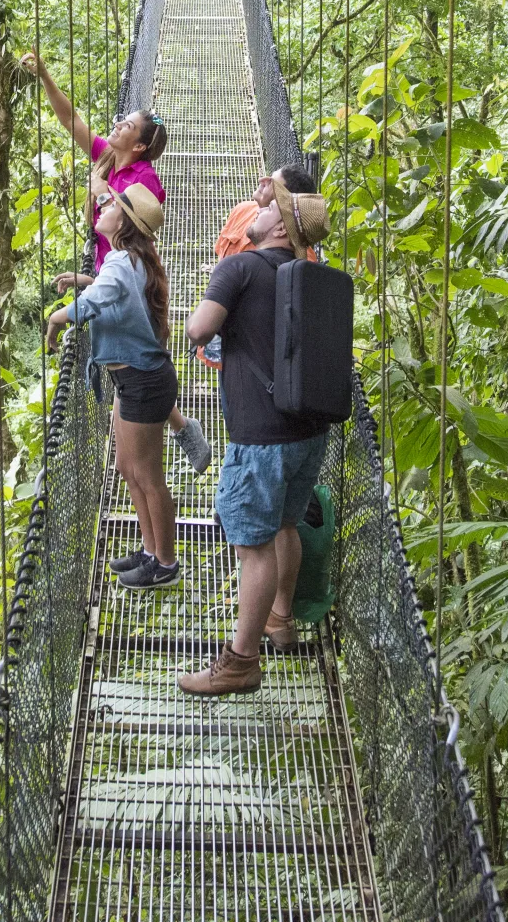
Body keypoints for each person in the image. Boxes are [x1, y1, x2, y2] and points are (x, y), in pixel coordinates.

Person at [175, 175, 334, 695]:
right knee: (285, 524)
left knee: (253, 547)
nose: (257, 212)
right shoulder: (312, 277)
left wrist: (221, 295)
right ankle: (280, 619)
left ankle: (241, 662)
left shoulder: (239, 266)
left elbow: (198, 330)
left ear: (281, 228)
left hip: (260, 438)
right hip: (309, 432)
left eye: (270, 210)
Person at [20, 52, 212, 473]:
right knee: (124, 371)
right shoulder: (107, 158)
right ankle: (180, 427)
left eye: (127, 124)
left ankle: (177, 433)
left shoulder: (145, 181)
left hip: (135, 286)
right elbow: (71, 120)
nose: (118, 123)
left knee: (138, 367)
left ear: (140, 145)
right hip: (111, 277)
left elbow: (137, 234)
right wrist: (46, 76)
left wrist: (102, 189)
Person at [45, 184, 183, 589]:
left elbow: (100, 298)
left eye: (111, 205)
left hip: (143, 381)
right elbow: (114, 287)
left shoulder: (121, 261)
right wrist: (85, 279)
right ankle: (149, 550)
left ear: (123, 222)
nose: (102, 207)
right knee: (127, 467)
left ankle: (166, 564)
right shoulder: (129, 259)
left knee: (148, 474)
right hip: (134, 379)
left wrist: (58, 318)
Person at [199, 164, 320, 371]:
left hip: (260, 359)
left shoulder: (303, 262)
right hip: (223, 343)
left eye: (272, 182)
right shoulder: (242, 211)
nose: (263, 180)